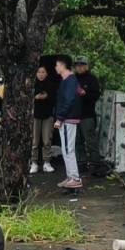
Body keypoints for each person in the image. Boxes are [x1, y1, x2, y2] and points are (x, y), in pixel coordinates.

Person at [52, 57, 84, 189]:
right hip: (68, 117)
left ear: (63, 66)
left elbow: (68, 100)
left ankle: (75, 177)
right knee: (66, 149)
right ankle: (70, 176)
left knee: (68, 149)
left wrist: (60, 117)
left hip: (68, 119)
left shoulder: (70, 80)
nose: (55, 68)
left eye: (57, 65)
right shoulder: (69, 80)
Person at [73, 56, 102, 163]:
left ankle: (96, 163)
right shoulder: (72, 79)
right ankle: (81, 163)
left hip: (87, 115)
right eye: (77, 65)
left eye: (81, 65)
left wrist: (85, 94)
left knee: (90, 141)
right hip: (74, 115)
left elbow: (96, 95)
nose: (79, 68)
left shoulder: (92, 79)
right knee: (77, 141)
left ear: (86, 66)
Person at [30, 63, 56, 175]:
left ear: (46, 73)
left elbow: (54, 98)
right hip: (35, 115)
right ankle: (34, 162)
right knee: (35, 141)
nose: (41, 74)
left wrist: (46, 97)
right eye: (39, 72)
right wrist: (36, 98)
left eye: (43, 72)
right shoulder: (32, 84)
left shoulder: (51, 84)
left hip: (48, 115)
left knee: (47, 140)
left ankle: (47, 162)